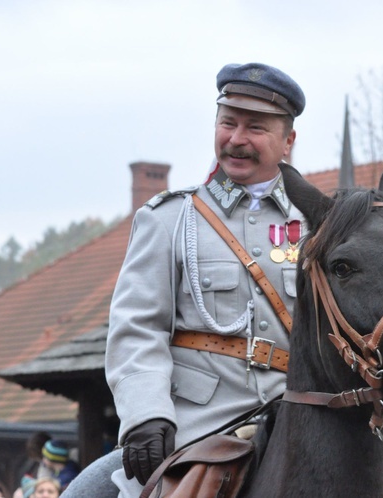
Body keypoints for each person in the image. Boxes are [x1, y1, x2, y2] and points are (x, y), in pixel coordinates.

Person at [104, 61, 306, 498]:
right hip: (198, 427)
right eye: (227, 122)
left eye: (255, 127)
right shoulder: (170, 220)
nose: (236, 139)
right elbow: (136, 328)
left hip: (302, 420)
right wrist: (146, 415)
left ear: (288, 141)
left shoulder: (317, 225)